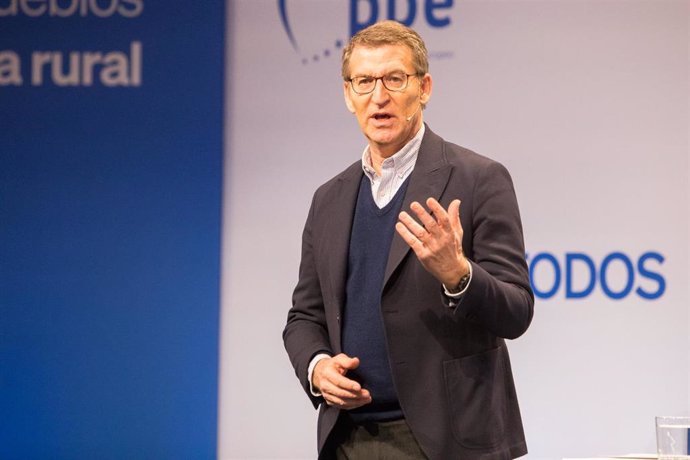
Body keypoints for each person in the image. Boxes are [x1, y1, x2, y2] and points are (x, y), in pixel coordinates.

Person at [283, 20, 534, 460]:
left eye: (394, 79)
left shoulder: (479, 180)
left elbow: (516, 312)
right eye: (364, 81)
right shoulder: (329, 198)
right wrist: (317, 367)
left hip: (448, 441)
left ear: (425, 87)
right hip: (349, 438)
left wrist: (458, 275)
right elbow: (304, 316)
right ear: (348, 95)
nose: (379, 97)